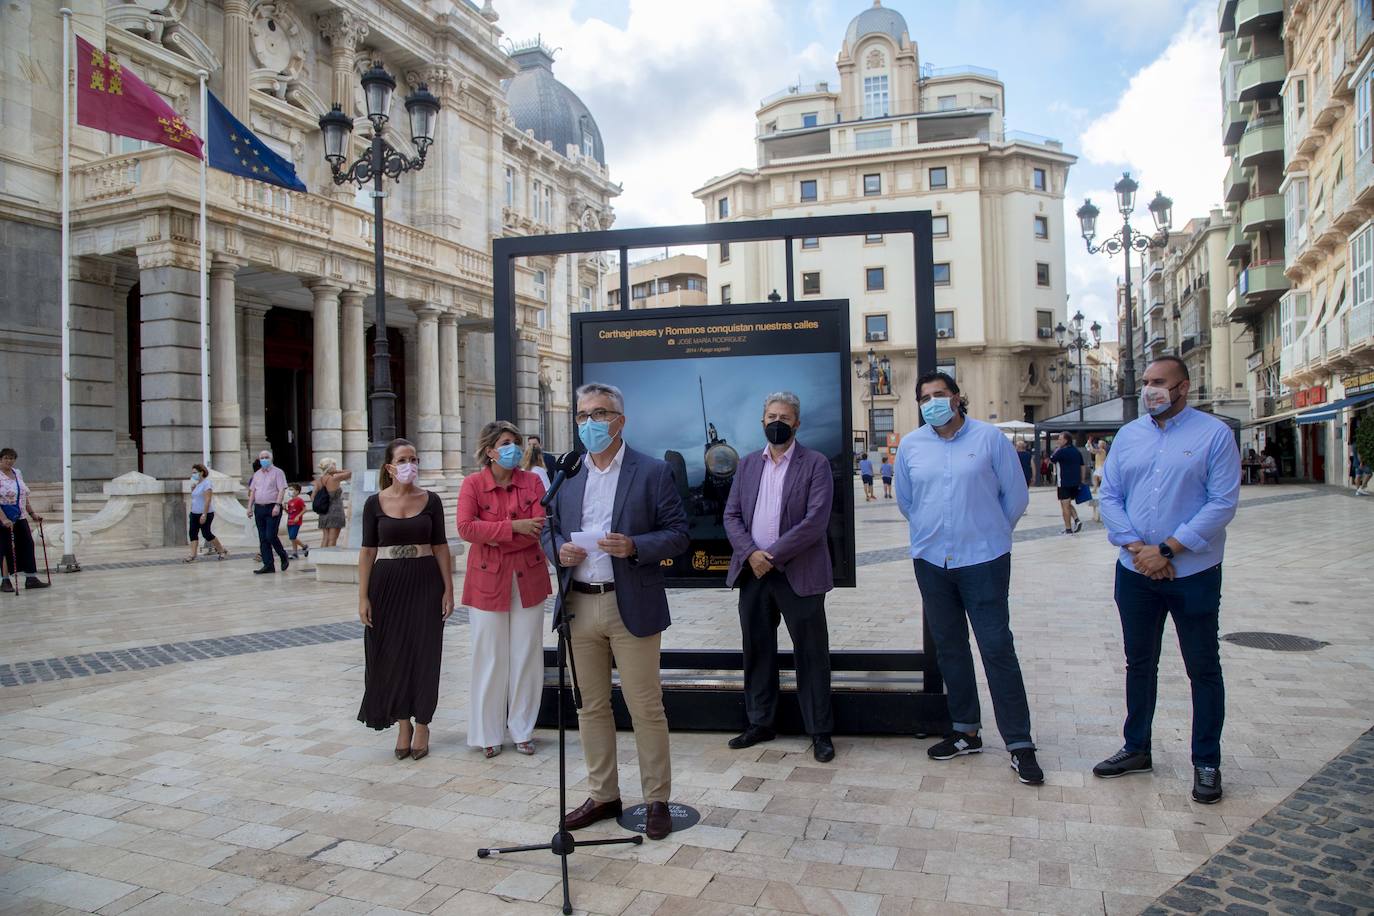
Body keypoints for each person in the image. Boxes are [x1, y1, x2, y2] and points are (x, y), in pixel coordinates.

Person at [541, 382, 689, 841]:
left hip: (631, 604)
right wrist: (558, 551)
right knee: (591, 707)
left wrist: (635, 546)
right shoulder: (568, 475)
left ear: (620, 421)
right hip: (579, 605)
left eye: (600, 414)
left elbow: (678, 534)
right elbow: (550, 530)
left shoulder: (652, 471)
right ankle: (604, 794)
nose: (590, 423)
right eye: (583, 416)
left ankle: (657, 799)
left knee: (646, 706)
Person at [1094, 357, 1240, 805]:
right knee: (1139, 663)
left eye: (1159, 382)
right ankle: (1136, 748)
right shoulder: (1128, 436)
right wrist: (1140, 549)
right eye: (1146, 383)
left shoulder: (1214, 435)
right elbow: (1110, 495)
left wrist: (1169, 549)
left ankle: (1207, 762)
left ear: (1183, 387)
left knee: (1202, 668)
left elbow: (1222, 503)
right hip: (1136, 571)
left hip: (1192, 572)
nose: (1150, 390)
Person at [894, 372, 1043, 786]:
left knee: (997, 647)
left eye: (939, 395)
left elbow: (1016, 496)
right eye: (925, 398)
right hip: (931, 560)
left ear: (957, 398)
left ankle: (1019, 742)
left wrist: (986, 532)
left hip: (984, 560)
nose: (932, 403)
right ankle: (965, 730)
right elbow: (907, 501)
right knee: (950, 648)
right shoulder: (911, 446)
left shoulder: (990, 440)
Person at [722, 392, 836, 763]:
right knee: (757, 650)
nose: (777, 422)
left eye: (785, 417)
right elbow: (732, 515)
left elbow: (815, 522)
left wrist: (771, 556)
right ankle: (760, 722)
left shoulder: (815, 464)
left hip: (798, 573)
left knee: (811, 654)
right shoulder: (747, 464)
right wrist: (751, 554)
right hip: (753, 573)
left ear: (796, 423)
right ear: (762, 421)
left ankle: (819, 731)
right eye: (772, 416)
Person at [456, 420, 552, 759]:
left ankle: (523, 729)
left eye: (517, 442)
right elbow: (466, 527)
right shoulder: (472, 484)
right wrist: (513, 528)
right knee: (490, 656)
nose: (514, 448)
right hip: (487, 580)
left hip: (529, 577)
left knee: (527, 655)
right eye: (507, 442)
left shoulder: (533, 482)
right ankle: (487, 733)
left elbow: (539, 527)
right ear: (490, 450)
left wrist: (496, 536)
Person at [357, 438, 455, 759]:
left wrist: (448, 590)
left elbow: (440, 546)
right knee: (393, 655)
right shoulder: (374, 503)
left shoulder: (431, 500)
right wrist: (363, 598)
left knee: (425, 653)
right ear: (389, 467)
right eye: (402, 460)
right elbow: (368, 551)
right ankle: (403, 723)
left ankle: (423, 722)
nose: (408, 464)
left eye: (413, 458)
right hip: (386, 587)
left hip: (425, 583)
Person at [0, 447, 48, 592]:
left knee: (27, 544)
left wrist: (32, 513)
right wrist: (3, 518)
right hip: (3, 518)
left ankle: (31, 578)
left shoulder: (17, 473)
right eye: (6, 458)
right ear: (0, 459)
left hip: (20, 516)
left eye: (12, 458)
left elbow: (23, 496)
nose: (9, 461)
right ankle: (6, 581)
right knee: (4, 549)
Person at [247, 450, 290, 574]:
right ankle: (268, 564)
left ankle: (283, 555)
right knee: (262, 538)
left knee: (270, 535)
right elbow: (253, 492)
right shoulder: (257, 474)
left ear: (271, 459)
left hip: (272, 507)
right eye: (262, 458)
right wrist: (249, 507)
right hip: (259, 508)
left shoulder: (278, 472)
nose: (264, 459)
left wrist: (277, 505)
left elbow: (281, 489)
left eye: (266, 457)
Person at [184, 463, 229, 562]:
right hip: (194, 513)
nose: (193, 475)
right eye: (192, 473)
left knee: (206, 533)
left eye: (195, 472)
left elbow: (207, 500)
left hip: (205, 513)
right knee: (193, 533)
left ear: (202, 472)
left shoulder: (207, 484)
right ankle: (193, 555)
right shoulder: (196, 485)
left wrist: (204, 514)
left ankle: (221, 550)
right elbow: (195, 499)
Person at [1050, 432, 1086, 534]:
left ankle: (1068, 528)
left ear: (1065, 440)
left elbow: (1052, 459)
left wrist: (1057, 449)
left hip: (1064, 482)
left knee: (1064, 505)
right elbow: (1082, 466)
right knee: (1068, 503)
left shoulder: (1061, 451)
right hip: (1075, 482)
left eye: (1060, 439)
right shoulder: (1076, 451)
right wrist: (1082, 480)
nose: (1058, 441)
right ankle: (1076, 519)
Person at [315, 458, 352, 548]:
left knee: (325, 538)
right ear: (331, 467)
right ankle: (328, 558)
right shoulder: (334, 478)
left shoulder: (319, 480)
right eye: (334, 465)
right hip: (335, 511)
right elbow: (351, 472)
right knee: (332, 539)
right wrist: (336, 471)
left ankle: (321, 558)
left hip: (323, 511)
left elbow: (313, 496)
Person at [285, 484, 308, 560]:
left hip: (296, 522)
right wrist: (284, 509)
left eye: (292, 490)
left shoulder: (299, 500)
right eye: (290, 489)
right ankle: (295, 553)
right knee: (292, 538)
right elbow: (289, 512)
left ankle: (304, 547)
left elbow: (304, 509)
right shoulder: (289, 501)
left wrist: (298, 516)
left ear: (297, 491)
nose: (290, 491)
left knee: (292, 537)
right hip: (289, 521)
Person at [1089, 437, 1109, 522]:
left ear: (1102, 445)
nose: (1098, 444)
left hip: (1101, 467)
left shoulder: (1102, 451)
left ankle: (1096, 488)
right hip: (1099, 467)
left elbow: (1094, 450)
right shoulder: (1099, 451)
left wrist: (1090, 443)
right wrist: (1089, 445)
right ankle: (1096, 488)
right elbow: (1092, 451)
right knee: (1097, 478)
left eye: (1100, 443)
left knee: (1097, 477)